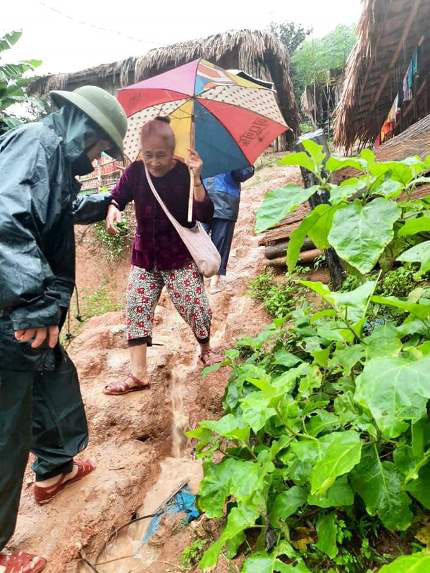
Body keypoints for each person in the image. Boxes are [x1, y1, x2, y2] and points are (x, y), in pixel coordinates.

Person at [0, 85, 128, 573]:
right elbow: (5, 222)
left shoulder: (51, 154)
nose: (98, 160)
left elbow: (59, 204)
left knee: (53, 376)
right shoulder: (37, 143)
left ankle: (54, 469)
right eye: (99, 149)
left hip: (27, 304)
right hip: (12, 306)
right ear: (82, 127)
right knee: (7, 421)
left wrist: (105, 203)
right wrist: (33, 303)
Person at [104, 117, 222, 396]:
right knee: (136, 307)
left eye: (160, 155)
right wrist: (113, 207)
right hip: (144, 258)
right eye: (148, 155)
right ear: (141, 152)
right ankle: (138, 375)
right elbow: (118, 195)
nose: (154, 162)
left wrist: (196, 179)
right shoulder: (134, 172)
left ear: (172, 152)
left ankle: (205, 350)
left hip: (179, 258)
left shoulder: (184, 172)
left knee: (196, 308)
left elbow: (205, 215)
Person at [203, 167, 255, 292]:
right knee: (221, 240)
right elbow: (242, 175)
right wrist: (247, 166)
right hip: (226, 198)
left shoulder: (201, 150)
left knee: (199, 240)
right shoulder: (234, 153)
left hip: (202, 196)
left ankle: (199, 281)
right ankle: (213, 282)